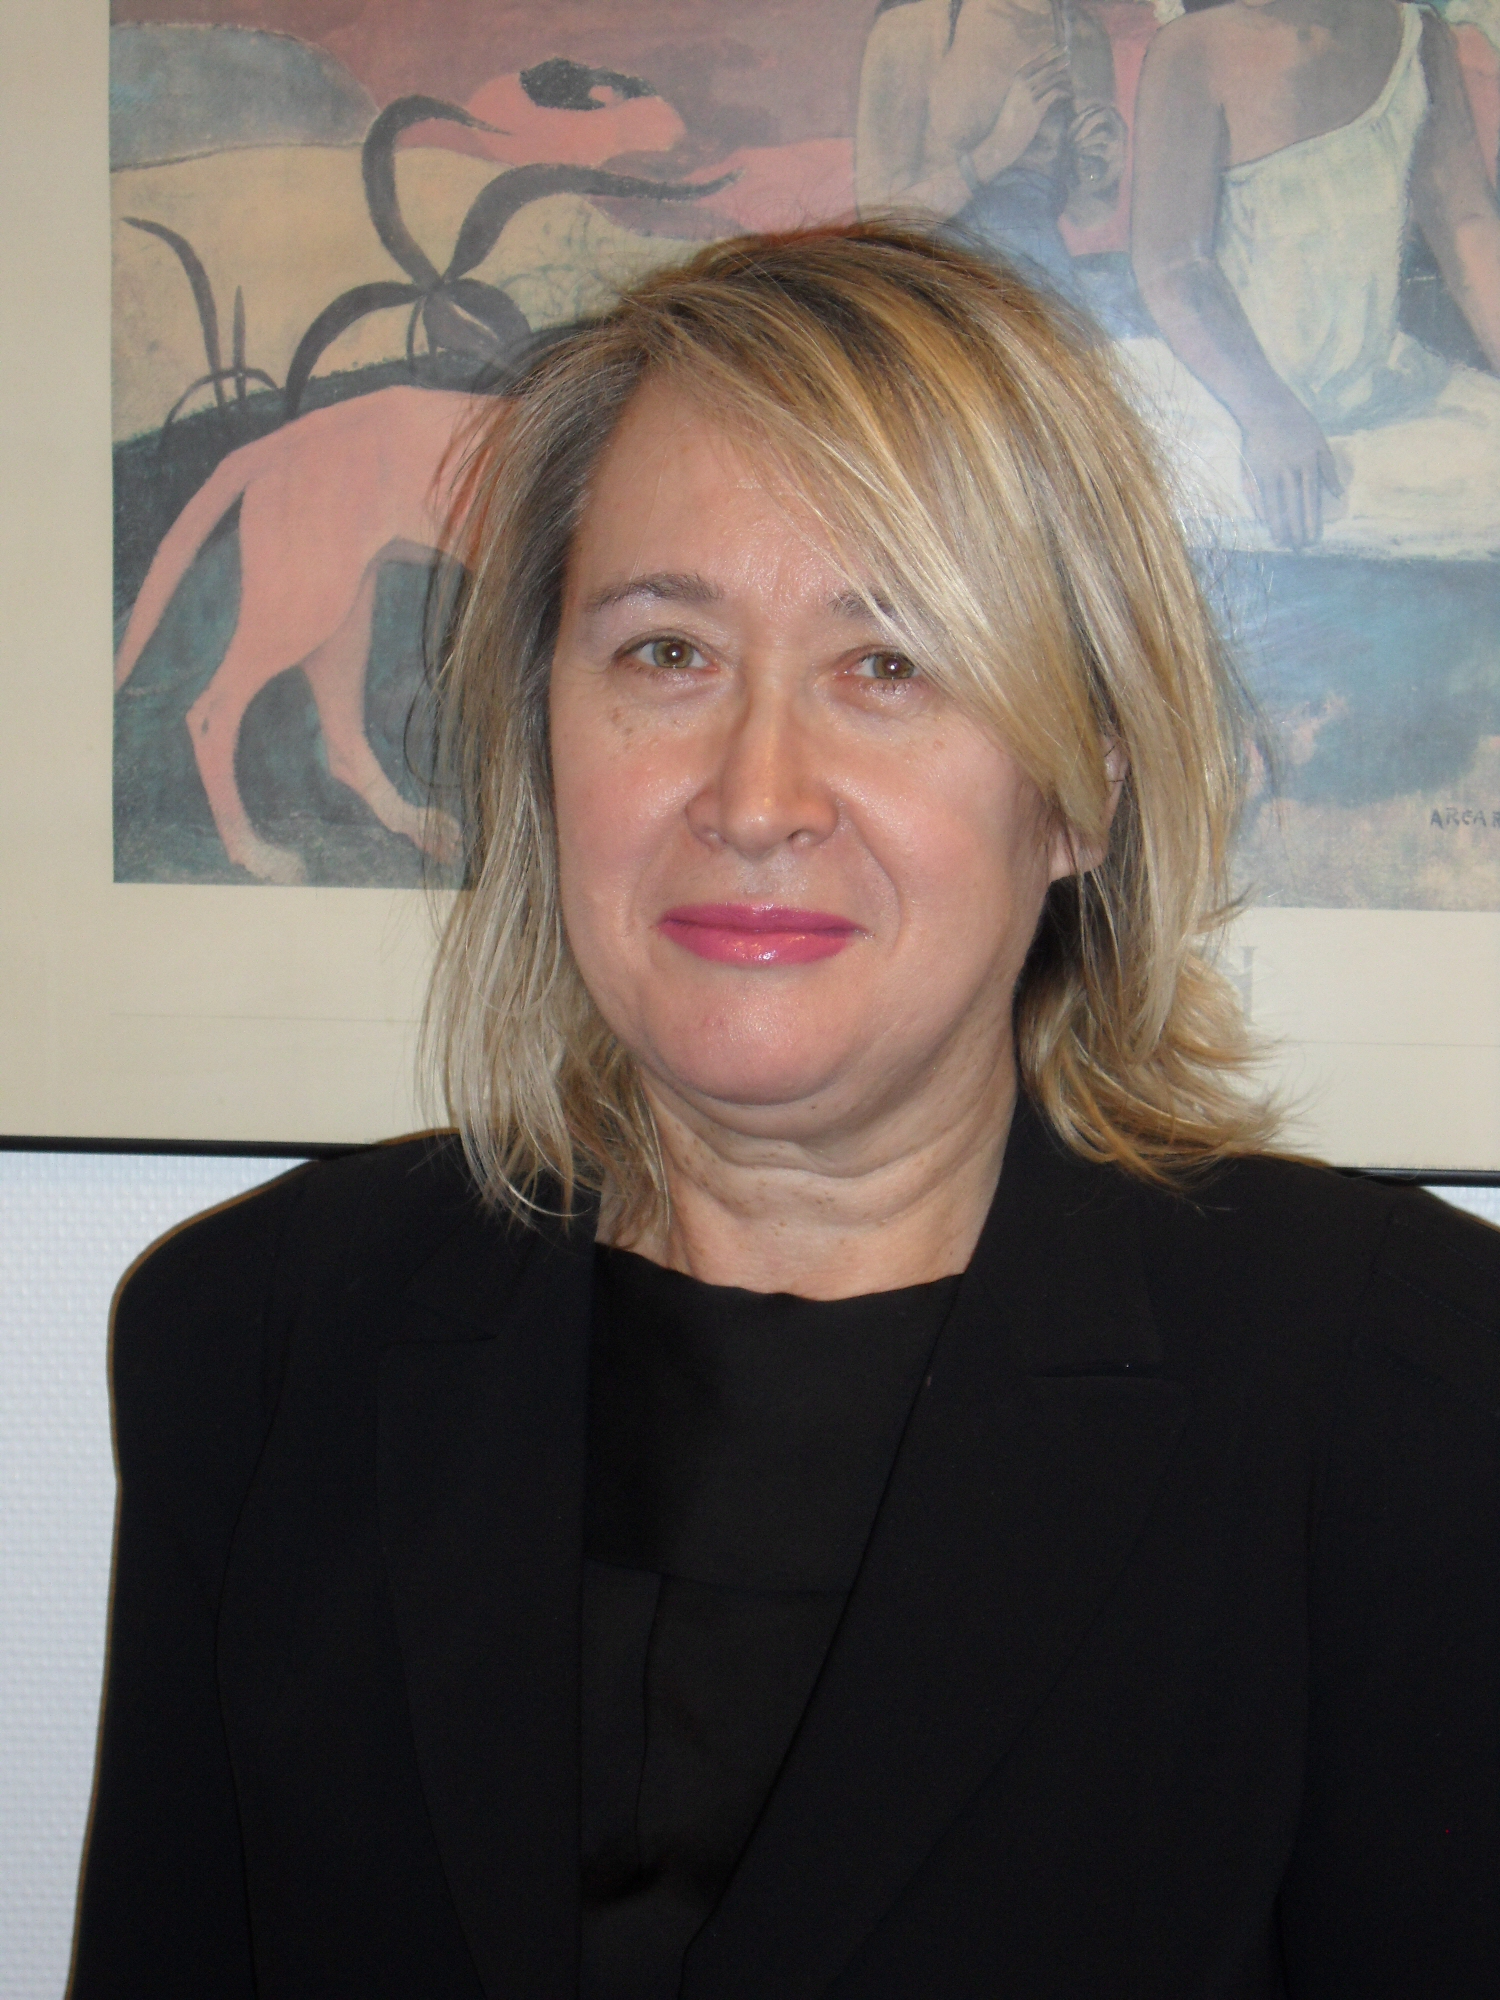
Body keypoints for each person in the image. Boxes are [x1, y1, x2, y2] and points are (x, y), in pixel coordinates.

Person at [72, 224, 1499, 1998]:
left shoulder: (1403, 1388)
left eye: (889, 663)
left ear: (1083, 785)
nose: (755, 797)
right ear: (545, 733)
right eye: (666, 652)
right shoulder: (258, 1341)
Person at [1129, 0, 1500, 551]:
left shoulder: (1419, 40)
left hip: (1380, 400)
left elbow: (1468, 226)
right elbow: (1175, 270)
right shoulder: (1192, 52)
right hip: (1235, 399)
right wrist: (1269, 414)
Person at [854, 0, 1127, 300]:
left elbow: (1088, 216)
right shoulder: (906, 28)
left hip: (1045, 277)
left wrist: (1100, 170)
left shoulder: (1085, 32)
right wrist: (996, 150)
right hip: (941, 284)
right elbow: (878, 225)